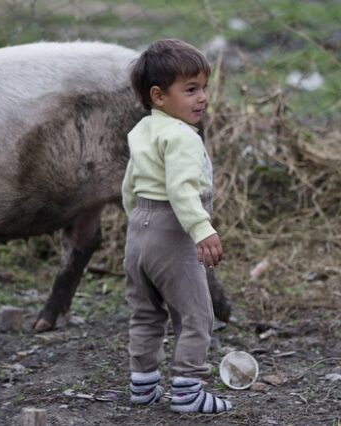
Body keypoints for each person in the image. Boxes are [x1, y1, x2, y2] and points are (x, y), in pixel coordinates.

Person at [122, 38, 232, 414]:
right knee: (195, 314)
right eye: (190, 90)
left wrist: (137, 224)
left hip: (139, 231)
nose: (201, 98)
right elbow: (181, 189)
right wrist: (203, 230)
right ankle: (187, 390)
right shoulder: (182, 136)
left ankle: (143, 385)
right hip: (173, 232)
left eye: (203, 88)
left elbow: (129, 185)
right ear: (158, 95)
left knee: (146, 313)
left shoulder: (142, 131)